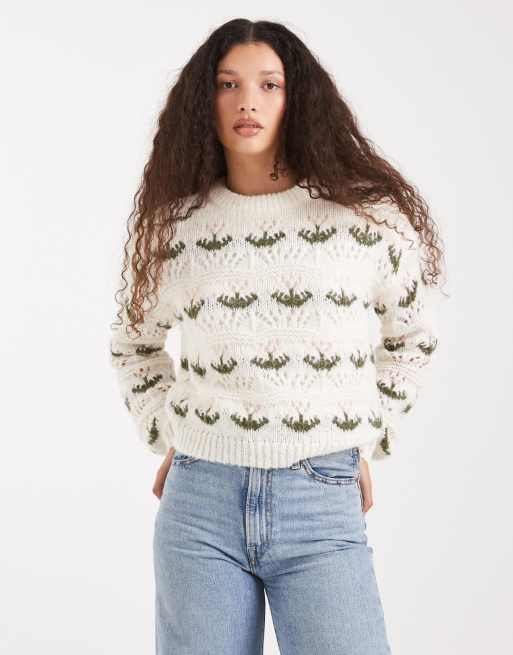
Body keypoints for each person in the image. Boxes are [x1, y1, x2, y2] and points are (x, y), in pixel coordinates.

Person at [109, 18, 445, 655]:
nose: (248, 102)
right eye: (228, 84)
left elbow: (412, 339)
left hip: (320, 499)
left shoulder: (363, 219)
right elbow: (134, 343)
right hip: (200, 505)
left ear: (298, 99)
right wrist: (171, 432)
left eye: (269, 84)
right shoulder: (177, 228)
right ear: (203, 100)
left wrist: (363, 434)